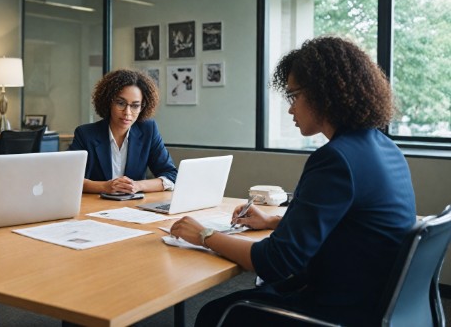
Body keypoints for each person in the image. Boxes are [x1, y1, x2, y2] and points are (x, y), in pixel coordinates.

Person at [170, 36, 416, 326]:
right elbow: (350, 224)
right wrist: (273, 222)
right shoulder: (383, 147)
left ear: (324, 93)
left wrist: (204, 235)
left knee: (217, 313)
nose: (290, 109)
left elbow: (274, 262)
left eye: (293, 96)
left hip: (341, 312)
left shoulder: (336, 159)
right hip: (378, 303)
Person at [69, 69, 177, 194]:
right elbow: (69, 179)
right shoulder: (86, 134)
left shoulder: (148, 130)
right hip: (97, 207)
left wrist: (138, 185)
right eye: (121, 103)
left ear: (142, 107)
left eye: (135, 105)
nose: (127, 113)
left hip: (134, 207)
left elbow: (171, 175)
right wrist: (105, 187)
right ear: (109, 102)